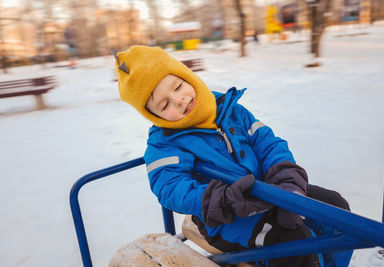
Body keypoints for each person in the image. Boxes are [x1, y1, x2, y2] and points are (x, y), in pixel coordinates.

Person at [113, 45, 353, 267]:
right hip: (224, 217)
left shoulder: (230, 109)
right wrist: (222, 199)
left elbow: (267, 142)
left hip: (269, 190)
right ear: (153, 115)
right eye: (165, 106)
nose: (179, 100)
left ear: (187, 76)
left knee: (335, 208)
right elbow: (170, 187)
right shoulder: (164, 143)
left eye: (177, 87)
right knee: (293, 241)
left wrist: (286, 178)